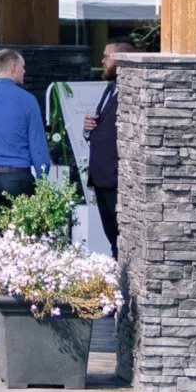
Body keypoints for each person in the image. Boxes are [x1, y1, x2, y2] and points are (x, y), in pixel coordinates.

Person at [0, 47, 50, 217]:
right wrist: (43, 180)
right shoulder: (28, 100)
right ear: (13, 67)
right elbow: (38, 147)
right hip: (19, 178)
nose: (24, 71)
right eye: (23, 66)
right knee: (22, 239)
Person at [83, 43, 124, 253]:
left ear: (121, 58)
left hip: (116, 177)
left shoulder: (128, 91)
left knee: (120, 236)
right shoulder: (109, 89)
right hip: (101, 177)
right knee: (111, 235)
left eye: (106, 56)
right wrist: (88, 129)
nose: (102, 61)